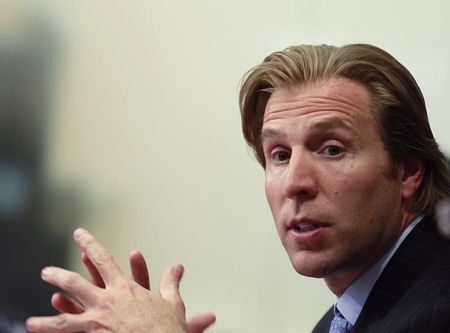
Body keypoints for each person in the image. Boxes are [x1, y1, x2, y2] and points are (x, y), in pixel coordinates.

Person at [26, 43, 450, 333]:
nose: (296, 184)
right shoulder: (355, 310)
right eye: (279, 155)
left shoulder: (434, 313)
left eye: (332, 149)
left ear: (408, 171)